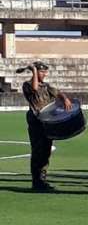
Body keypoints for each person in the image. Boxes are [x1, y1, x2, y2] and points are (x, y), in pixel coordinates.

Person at [22, 62, 71, 192]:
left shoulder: (47, 86)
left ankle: (42, 179)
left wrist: (64, 98)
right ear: (35, 73)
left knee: (46, 151)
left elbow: (58, 93)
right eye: (42, 72)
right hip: (36, 122)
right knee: (38, 151)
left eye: (45, 72)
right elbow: (34, 89)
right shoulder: (27, 85)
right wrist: (33, 70)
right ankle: (36, 181)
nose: (45, 74)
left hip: (47, 122)